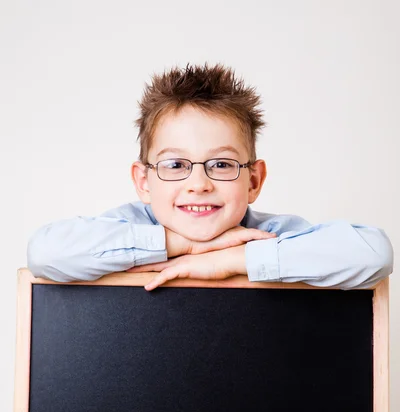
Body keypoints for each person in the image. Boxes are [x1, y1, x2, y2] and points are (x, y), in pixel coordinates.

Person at [27, 63, 393, 291]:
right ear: (143, 181)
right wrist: (183, 246)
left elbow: (373, 255)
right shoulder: (126, 229)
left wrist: (232, 261)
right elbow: (45, 252)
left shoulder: (268, 238)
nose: (198, 184)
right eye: (174, 165)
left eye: (220, 164)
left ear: (253, 181)